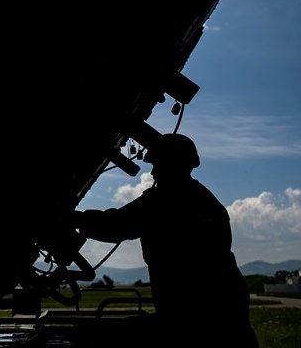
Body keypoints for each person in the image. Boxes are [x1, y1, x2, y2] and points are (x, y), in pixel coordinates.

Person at [72, 133, 259, 346]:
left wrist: (72, 219)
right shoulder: (206, 202)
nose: (153, 172)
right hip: (223, 320)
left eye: (158, 165)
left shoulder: (164, 201)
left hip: (198, 323)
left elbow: (115, 225)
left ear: (173, 165)